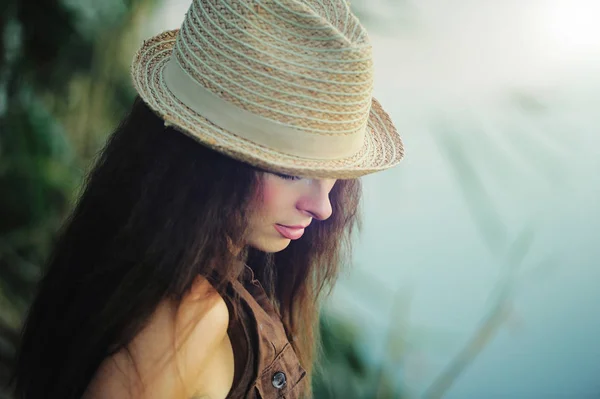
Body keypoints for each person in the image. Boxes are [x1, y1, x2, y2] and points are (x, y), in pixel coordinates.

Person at [11, 0, 404, 398]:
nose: (324, 207)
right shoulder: (187, 319)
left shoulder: (133, 254)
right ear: (209, 162)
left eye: (332, 172)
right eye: (290, 171)